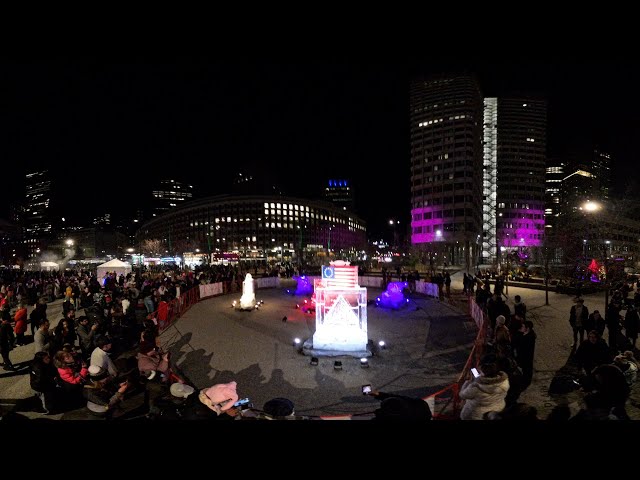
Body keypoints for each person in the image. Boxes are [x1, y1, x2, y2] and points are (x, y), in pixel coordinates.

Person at [459, 353, 510, 420]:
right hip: (496, 411)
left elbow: (462, 395)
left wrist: (468, 381)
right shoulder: (504, 381)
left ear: (483, 370)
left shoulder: (476, 387)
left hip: (476, 415)